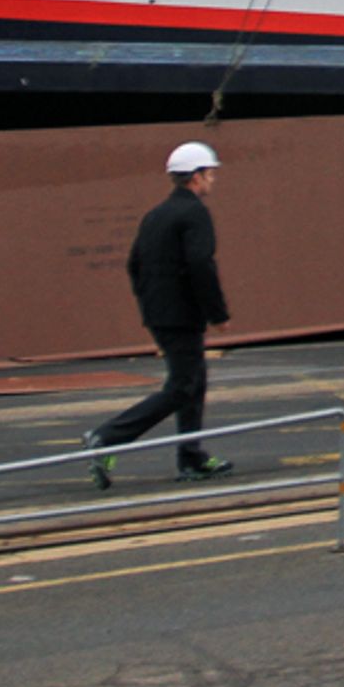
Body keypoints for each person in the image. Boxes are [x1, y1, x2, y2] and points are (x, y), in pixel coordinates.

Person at [86, 141, 233, 487]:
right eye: (210, 174)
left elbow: (133, 265)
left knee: (194, 382)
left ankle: (192, 457)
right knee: (183, 386)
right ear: (196, 177)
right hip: (182, 316)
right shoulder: (194, 213)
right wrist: (218, 313)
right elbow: (201, 264)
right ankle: (106, 438)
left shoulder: (155, 215)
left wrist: (150, 305)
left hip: (160, 313)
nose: (212, 181)